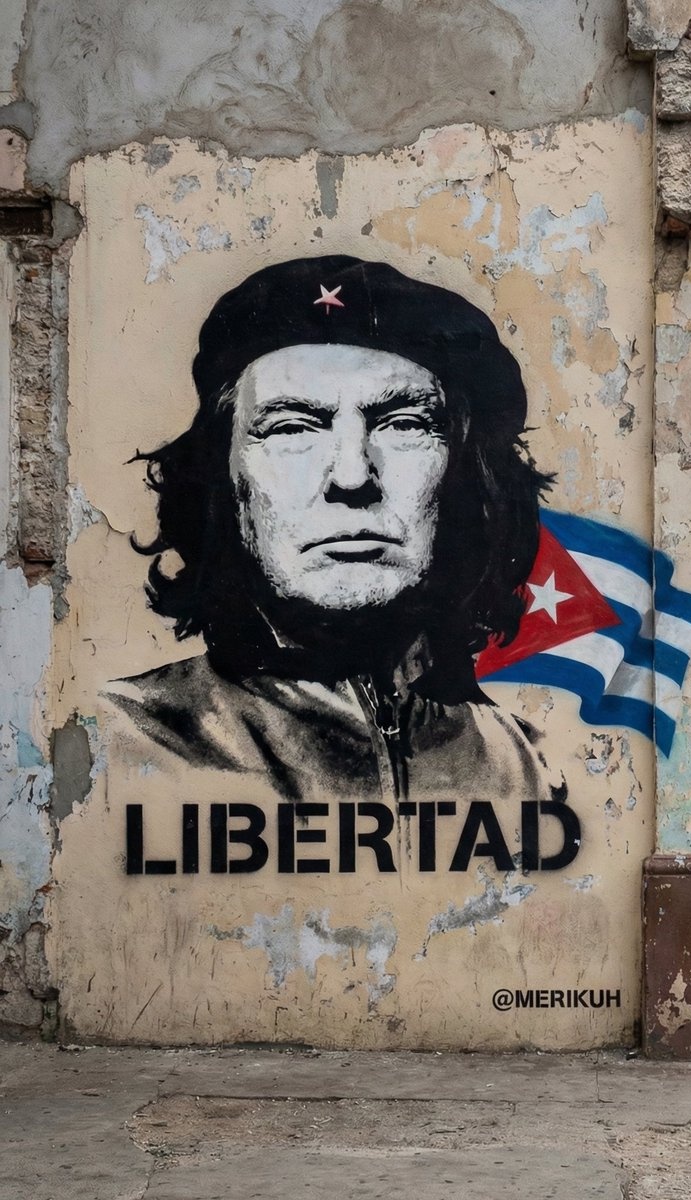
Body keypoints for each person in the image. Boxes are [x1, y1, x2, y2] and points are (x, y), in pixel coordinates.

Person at [103, 255, 558, 805]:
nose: (352, 476)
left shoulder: (529, 764)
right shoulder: (122, 741)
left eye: (403, 424)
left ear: (465, 476)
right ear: (223, 480)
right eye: (292, 427)